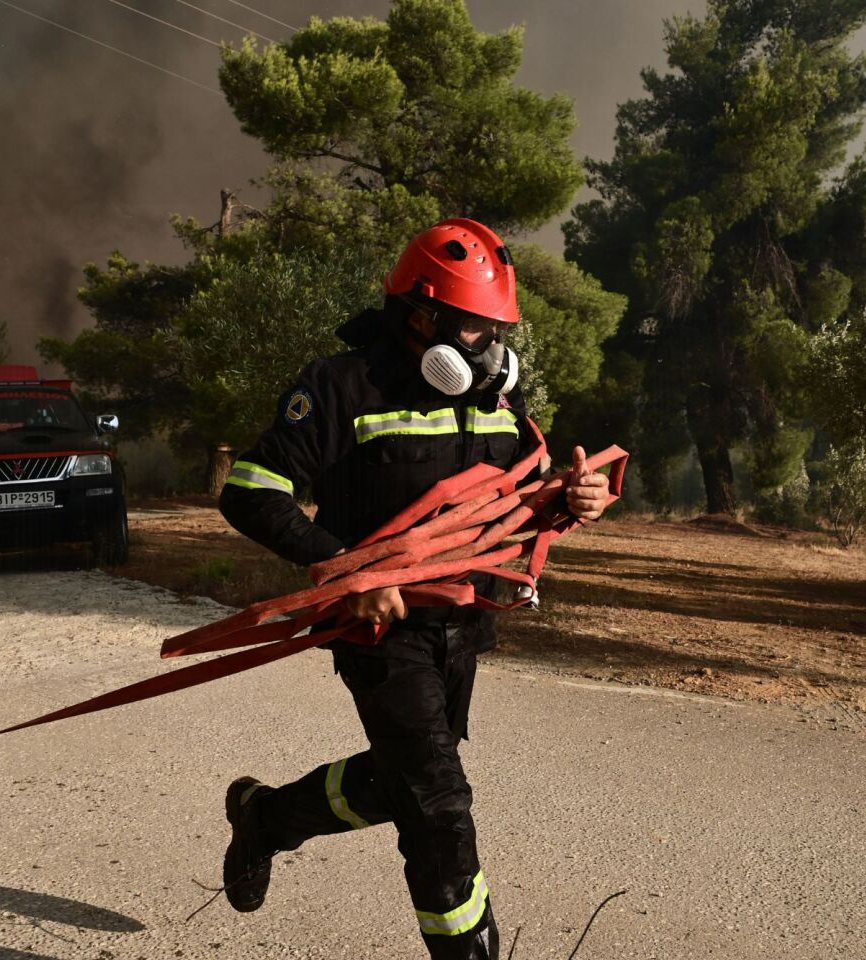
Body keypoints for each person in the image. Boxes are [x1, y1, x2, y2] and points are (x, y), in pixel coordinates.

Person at [217, 218, 610, 959]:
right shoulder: (340, 386)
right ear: (420, 316)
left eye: (498, 333)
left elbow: (512, 505)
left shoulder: (495, 402)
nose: (490, 353)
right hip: (377, 629)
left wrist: (571, 502)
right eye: (474, 331)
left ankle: (266, 819)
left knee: (404, 782)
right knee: (439, 808)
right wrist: (345, 568)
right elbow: (251, 488)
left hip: (462, 628)